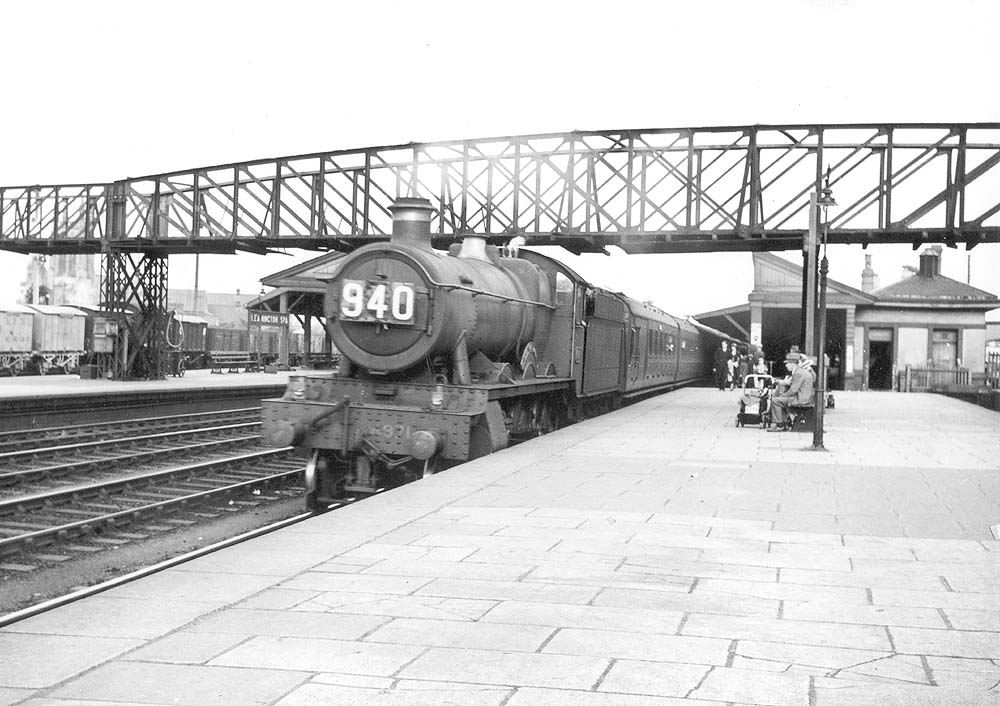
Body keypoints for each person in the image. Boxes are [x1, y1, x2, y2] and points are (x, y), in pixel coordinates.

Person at [768, 351, 815, 432]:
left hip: (800, 400)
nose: (786, 365)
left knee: (775, 401)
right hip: (806, 398)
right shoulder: (801, 372)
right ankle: (784, 422)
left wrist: (783, 395)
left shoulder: (798, 373)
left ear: (793, 364)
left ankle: (780, 424)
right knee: (781, 401)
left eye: (787, 363)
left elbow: (793, 390)